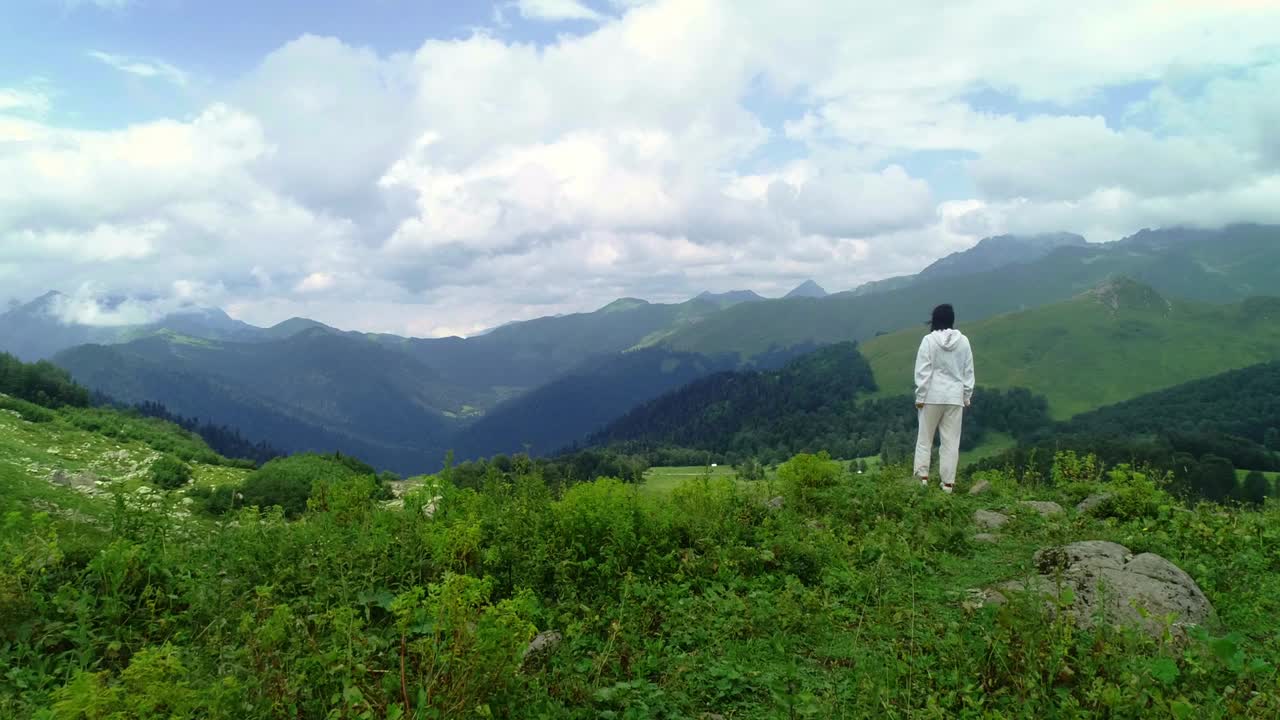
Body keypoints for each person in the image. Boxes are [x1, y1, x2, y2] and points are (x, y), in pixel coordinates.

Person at [913, 304, 975, 493]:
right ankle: (947, 484)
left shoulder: (928, 340)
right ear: (952, 319)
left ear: (935, 320)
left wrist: (920, 396)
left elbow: (923, 371)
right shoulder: (963, 341)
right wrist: (966, 396)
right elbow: (968, 371)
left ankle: (921, 478)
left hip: (932, 395)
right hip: (954, 397)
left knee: (925, 438)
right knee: (950, 441)